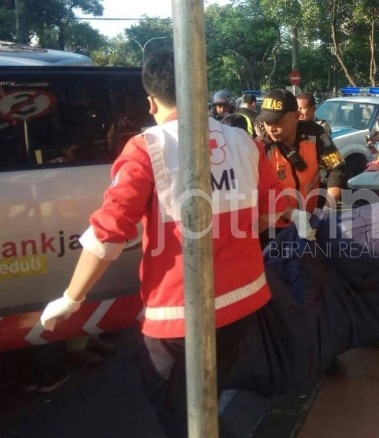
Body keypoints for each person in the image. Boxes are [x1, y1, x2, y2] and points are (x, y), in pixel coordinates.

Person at [38, 50, 292, 438]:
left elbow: (109, 232)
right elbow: (275, 211)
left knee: (178, 410)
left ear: (151, 101)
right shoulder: (243, 142)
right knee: (205, 397)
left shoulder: (147, 148)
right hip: (244, 303)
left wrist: (72, 299)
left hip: (180, 313)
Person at [257, 88, 347, 246]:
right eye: (267, 121)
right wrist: (293, 215)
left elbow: (336, 169)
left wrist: (326, 211)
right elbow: (256, 194)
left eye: (278, 121)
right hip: (273, 229)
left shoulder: (315, 134)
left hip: (313, 222)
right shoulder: (260, 148)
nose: (271, 128)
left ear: (297, 116)